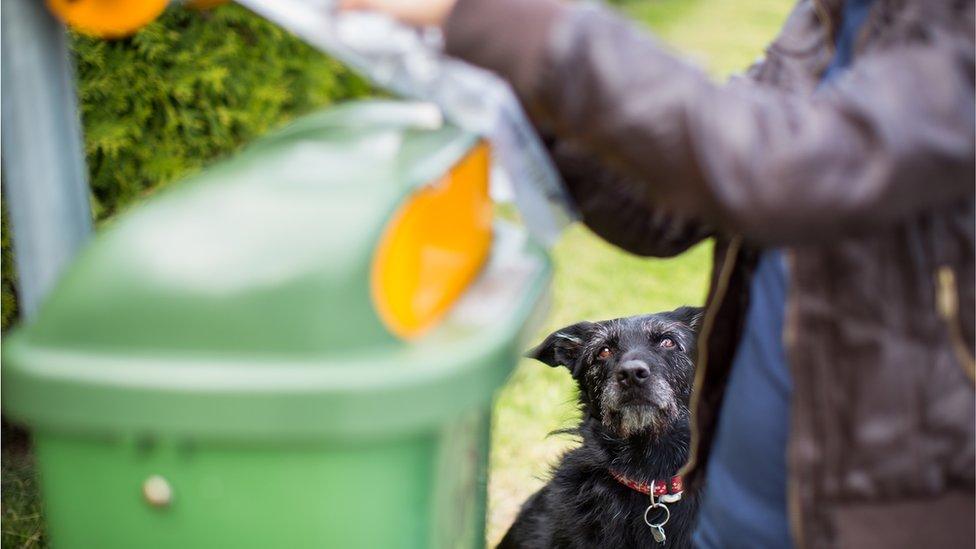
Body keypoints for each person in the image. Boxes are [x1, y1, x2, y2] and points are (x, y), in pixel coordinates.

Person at [343, 0, 975, 547]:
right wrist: (534, 117)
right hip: (738, 489)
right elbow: (670, 210)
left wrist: (513, 24)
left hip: (882, 502)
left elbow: (794, 170)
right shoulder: (826, 15)